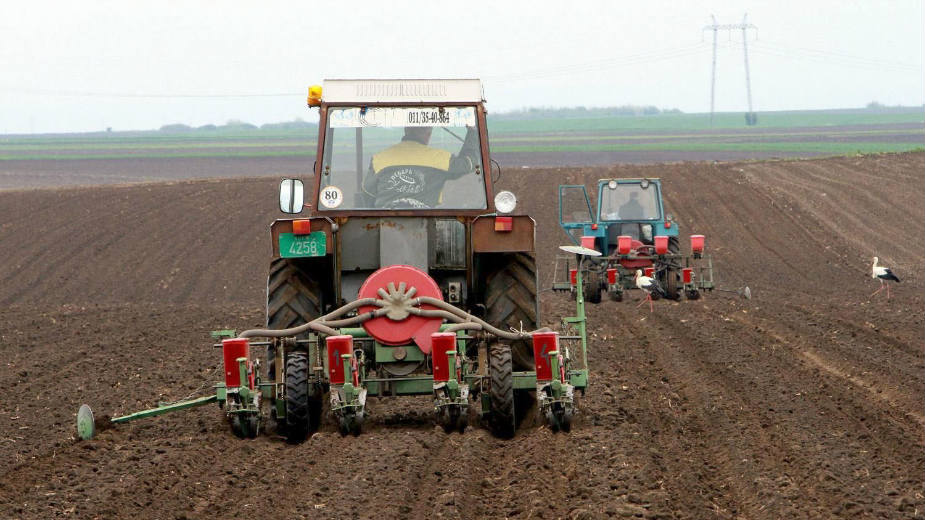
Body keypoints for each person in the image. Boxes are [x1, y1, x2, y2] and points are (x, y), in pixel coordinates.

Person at [362, 126, 479, 209]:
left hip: (384, 226)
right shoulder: (440, 159)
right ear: (428, 134)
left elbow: (368, 193)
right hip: (424, 225)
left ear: (406, 129)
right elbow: (468, 163)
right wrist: (472, 132)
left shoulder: (380, 158)